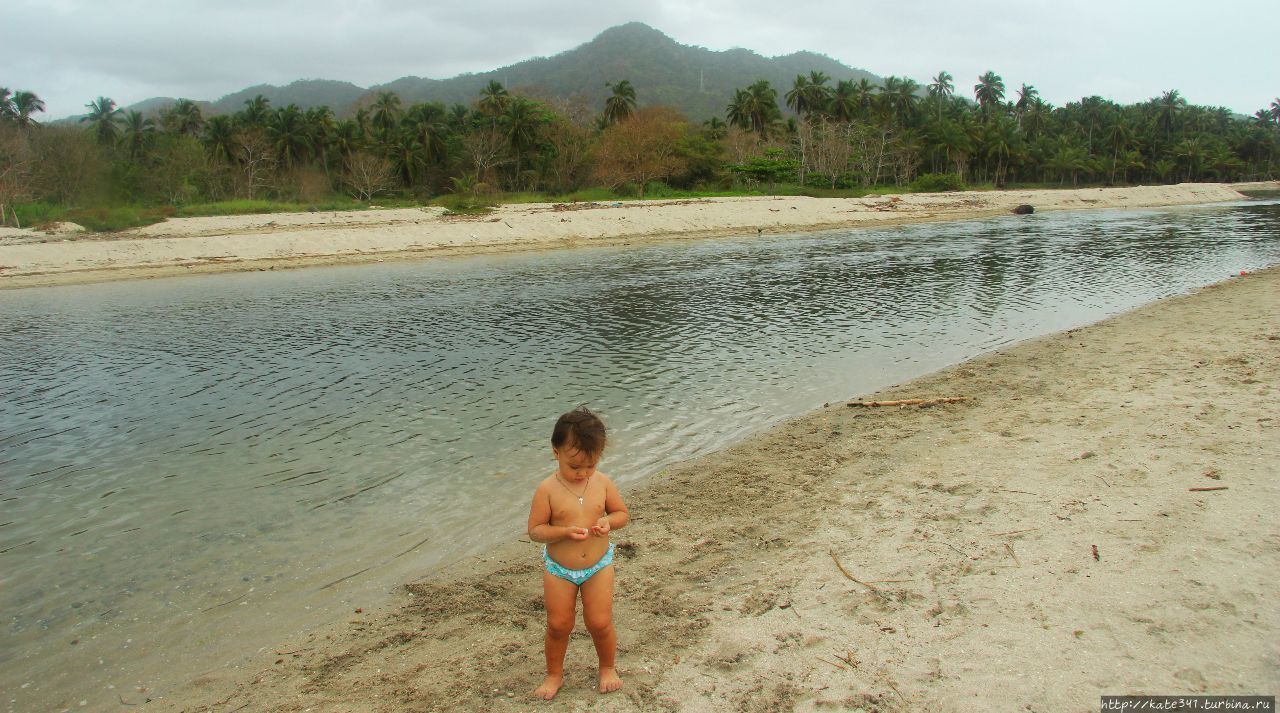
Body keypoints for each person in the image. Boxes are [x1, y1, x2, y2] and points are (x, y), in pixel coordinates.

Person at [526, 406, 629, 699]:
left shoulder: (603, 483)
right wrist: (564, 532)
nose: (582, 473)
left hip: (598, 565)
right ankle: (554, 674)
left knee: (599, 622)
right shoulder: (547, 490)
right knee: (559, 625)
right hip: (560, 569)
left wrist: (608, 522)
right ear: (556, 452)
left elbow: (622, 514)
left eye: (590, 465)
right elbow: (535, 530)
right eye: (574, 467)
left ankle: (607, 667)